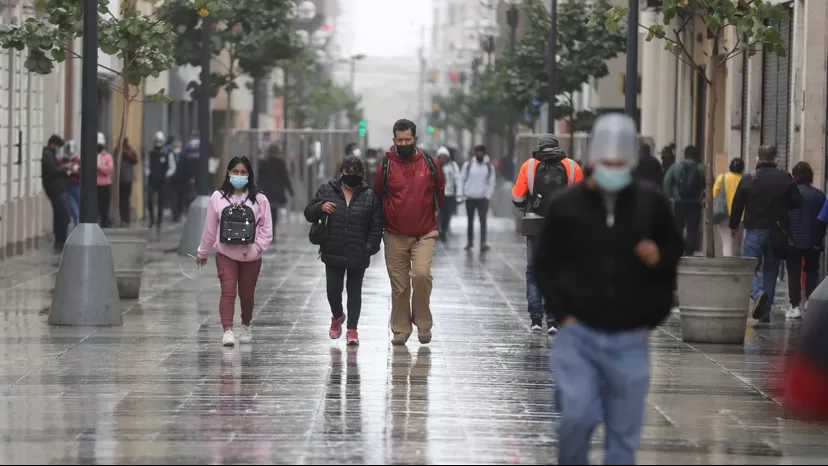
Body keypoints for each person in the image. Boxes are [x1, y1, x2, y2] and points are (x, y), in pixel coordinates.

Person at [535, 114, 683, 465]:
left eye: (619, 163)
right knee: (575, 417)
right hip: (578, 334)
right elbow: (545, 264)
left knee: (623, 434)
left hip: (631, 337)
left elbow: (673, 254)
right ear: (592, 160)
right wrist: (564, 313)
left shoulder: (652, 204)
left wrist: (657, 265)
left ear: (630, 161)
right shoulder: (566, 206)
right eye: (606, 162)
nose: (612, 169)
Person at [373, 119, 445, 346]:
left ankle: (423, 322)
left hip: (424, 233)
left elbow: (439, 194)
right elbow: (377, 195)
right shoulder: (385, 165)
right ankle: (400, 329)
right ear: (394, 140)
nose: (403, 143)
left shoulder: (429, 164)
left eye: (408, 139)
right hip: (394, 233)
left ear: (415, 139)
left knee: (422, 275)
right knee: (400, 285)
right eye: (399, 140)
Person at [304, 155, 384, 345]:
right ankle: (337, 316)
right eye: (350, 171)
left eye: (357, 172)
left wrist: (369, 248)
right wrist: (320, 207)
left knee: (354, 292)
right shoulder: (327, 190)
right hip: (333, 249)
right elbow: (308, 212)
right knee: (333, 290)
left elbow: (376, 225)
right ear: (342, 172)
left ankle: (352, 330)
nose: (353, 176)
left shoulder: (369, 196)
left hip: (358, 252)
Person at [197, 156, 273, 347]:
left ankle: (246, 326)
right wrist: (202, 252)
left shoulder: (260, 199)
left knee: (247, 294)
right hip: (225, 253)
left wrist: (258, 248)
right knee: (228, 291)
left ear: (249, 175)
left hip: (251, 256)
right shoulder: (218, 197)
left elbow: (266, 229)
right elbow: (210, 228)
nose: (239, 175)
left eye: (243, 172)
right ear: (228, 173)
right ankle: (228, 330)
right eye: (235, 171)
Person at [512, 134, 583, 334]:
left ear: (539, 148)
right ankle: (553, 319)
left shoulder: (529, 166)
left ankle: (536, 318)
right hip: (563, 226)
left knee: (533, 270)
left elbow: (517, 197)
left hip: (535, 223)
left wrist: (527, 204)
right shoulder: (572, 167)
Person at [729, 145, 803, 323]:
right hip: (777, 232)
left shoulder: (748, 179)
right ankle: (765, 312)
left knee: (749, 268)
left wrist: (733, 226)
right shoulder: (785, 178)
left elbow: (737, 204)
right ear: (775, 158)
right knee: (771, 270)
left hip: (754, 230)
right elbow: (797, 202)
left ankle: (757, 293)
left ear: (757, 159)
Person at [785, 161, 825, 320]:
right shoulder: (819, 195)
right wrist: (818, 240)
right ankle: (809, 301)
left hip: (792, 242)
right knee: (811, 272)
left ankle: (795, 307)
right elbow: (823, 221)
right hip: (812, 241)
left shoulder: (788, 195)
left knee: (793, 274)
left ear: (794, 176)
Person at [663, 145, 704, 255]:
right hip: (695, 203)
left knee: (678, 226)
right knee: (692, 227)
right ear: (696, 155)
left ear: (685, 155)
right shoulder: (701, 168)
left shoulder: (675, 167)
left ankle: (678, 248)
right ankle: (690, 250)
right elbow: (710, 183)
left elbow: (666, 182)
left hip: (679, 202)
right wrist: (703, 196)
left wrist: (670, 198)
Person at [459, 144, 496, 252]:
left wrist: (487, 195)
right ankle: (470, 242)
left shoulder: (489, 167)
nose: (478, 154)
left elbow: (491, 182)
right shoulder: (469, 165)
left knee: (483, 221)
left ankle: (483, 242)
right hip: (470, 197)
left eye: (480, 152)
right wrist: (462, 192)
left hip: (482, 198)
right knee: (470, 222)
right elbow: (462, 179)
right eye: (477, 152)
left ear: (484, 153)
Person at [41, 135, 70, 251]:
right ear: (53, 144)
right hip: (55, 189)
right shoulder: (48, 154)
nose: (59, 149)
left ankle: (60, 240)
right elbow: (53, 170)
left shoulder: (50, 154)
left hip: (57, 188)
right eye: (58, 146)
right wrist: (65, 168)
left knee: (62, 215)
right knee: (63, 216)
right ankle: (60, 240)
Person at [712, 158, 745, 257]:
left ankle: (728, 264)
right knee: (736, 243)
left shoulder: (722, 178)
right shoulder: (744, 179)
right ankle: (735, 263)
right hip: (740, 216)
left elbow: (714, 194)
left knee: (726, 242)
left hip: (723, 214)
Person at [258, 143, 294, 233]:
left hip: (266, 191)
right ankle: (272, 229)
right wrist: (290, 190)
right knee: (274, 212)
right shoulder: (281, 163)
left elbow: (259, 178)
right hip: (277, 192)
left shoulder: (263, 162)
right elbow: (285, 178)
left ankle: (267, 229)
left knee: (266, 211)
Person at [146, 131, 173, 235]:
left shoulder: (167, 153)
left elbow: (172, 167)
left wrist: (167, 175)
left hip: (162, 181)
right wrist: (148, 174)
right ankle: (152, 219)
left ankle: (159, 223)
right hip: (152, 180)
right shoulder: (151, 153)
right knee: (149, 200)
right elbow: (147, 166)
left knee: (161, 203)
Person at [436, 146, 460, 241]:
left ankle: (444, 230)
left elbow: (457, 179)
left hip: (449, 194)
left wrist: (458, 192)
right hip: (438, 194)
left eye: (444, 157)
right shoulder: (435, 166)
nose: (442, 159)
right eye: (440, 157)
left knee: (447, 214)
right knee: (438, 214)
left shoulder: (453, 166)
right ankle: (437, 230)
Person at [118, 137, 139, 226]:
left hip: (128, 179)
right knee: (121, 200)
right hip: (120, 179)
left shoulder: (130, 151)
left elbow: (135, 160)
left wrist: (126, 153)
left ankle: (126, 218)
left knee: (126, 199)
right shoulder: (118, 151)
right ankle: (123, 218)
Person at [96, 132, 114, 228]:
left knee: (104, 206)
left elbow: (109, 169)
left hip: (105, 184)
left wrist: (99, 167)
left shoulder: (107, 156)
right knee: (95, 206)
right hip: (95, 185)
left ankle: (105, 223)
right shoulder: (92, 155)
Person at [61, 140, 81, 226]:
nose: (70, 154)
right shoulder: (61, 161)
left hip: (77, 186)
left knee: (80, 210)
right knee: (74, 211)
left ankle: (79, 227)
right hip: (66, 187)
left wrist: (74, 172)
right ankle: (77, 227)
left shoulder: (79, 160)